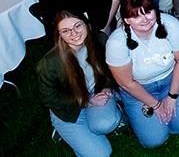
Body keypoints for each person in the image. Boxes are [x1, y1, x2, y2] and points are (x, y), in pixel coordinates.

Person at [106, 0, 179, 148]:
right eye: (136, 16)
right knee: (154, 140)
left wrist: (172, 97)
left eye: (147, 12)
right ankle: (127, 108)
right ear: (127, 20)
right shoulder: (116, 43)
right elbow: (127, 83)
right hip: (139, 88)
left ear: (155, 11)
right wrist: (156, 105)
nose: (144, 19)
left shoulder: (171, 26)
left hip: (171, 79)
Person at [37, 11, 123, 157]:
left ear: (87, 25)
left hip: (96, 94)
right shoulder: (49, 64)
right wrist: (86, 101)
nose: (74, 33)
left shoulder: (100, 40)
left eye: (78, 25)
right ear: (59, 35)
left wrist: (107, 88)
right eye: (65, 31)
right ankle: (63, 130)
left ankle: (111, 113)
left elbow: (110, 70)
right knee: (101, 154)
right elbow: (48, 99)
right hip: (67, 110)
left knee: (105, 124)